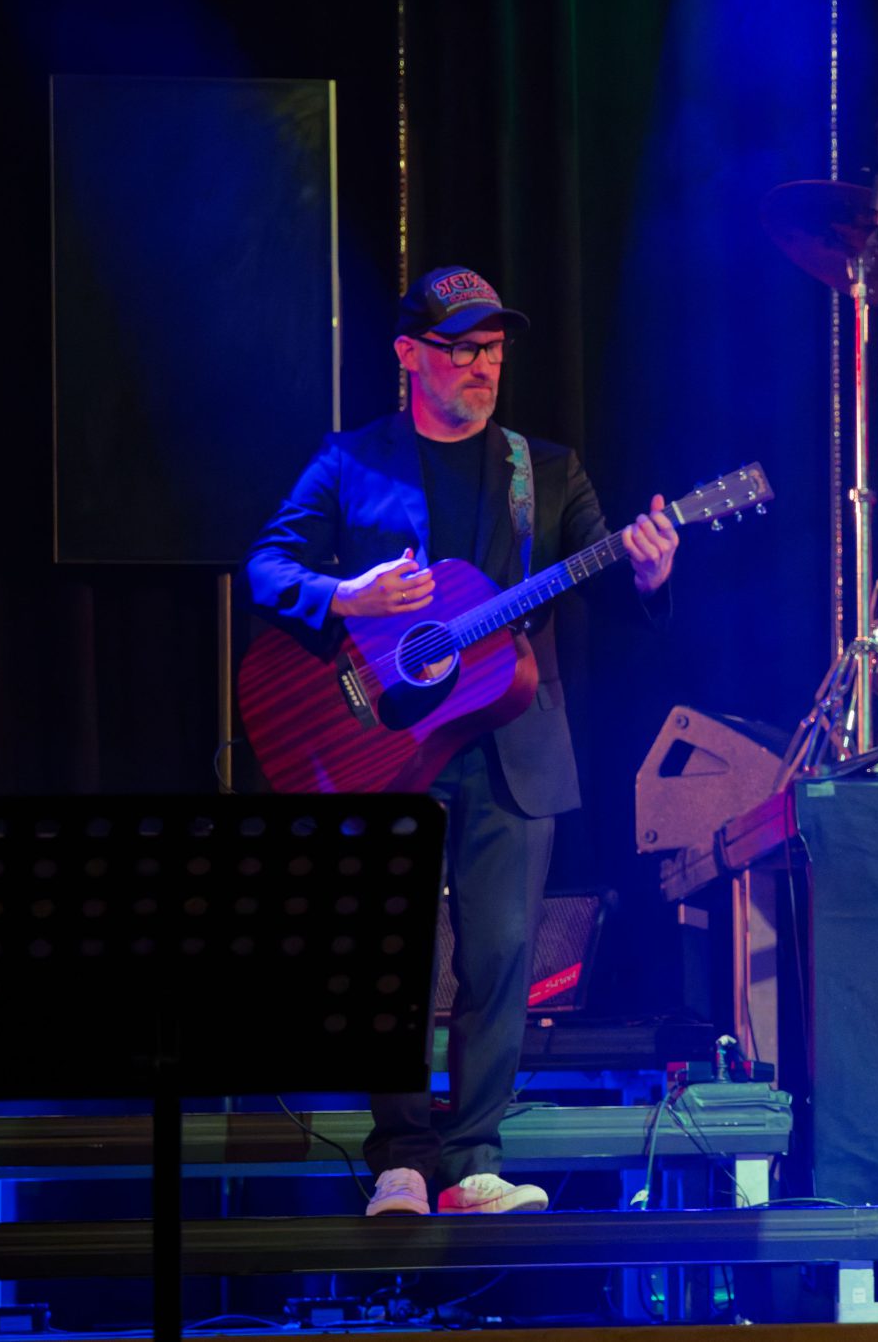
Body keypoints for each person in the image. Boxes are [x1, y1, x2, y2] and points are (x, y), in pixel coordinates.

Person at [246, 266, 678, 1219]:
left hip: (511, 741)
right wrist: (346, 595)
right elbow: (267, 566)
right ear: (409, 354)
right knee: (388, 956)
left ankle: (475, 1158)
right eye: (462, 349)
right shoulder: (350, 461)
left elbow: (606, 582)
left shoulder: (546, 470)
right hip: (381, 742)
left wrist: (648, 576)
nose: (483, 366)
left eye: (494, 349)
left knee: (503, 954)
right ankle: (401, 1159)